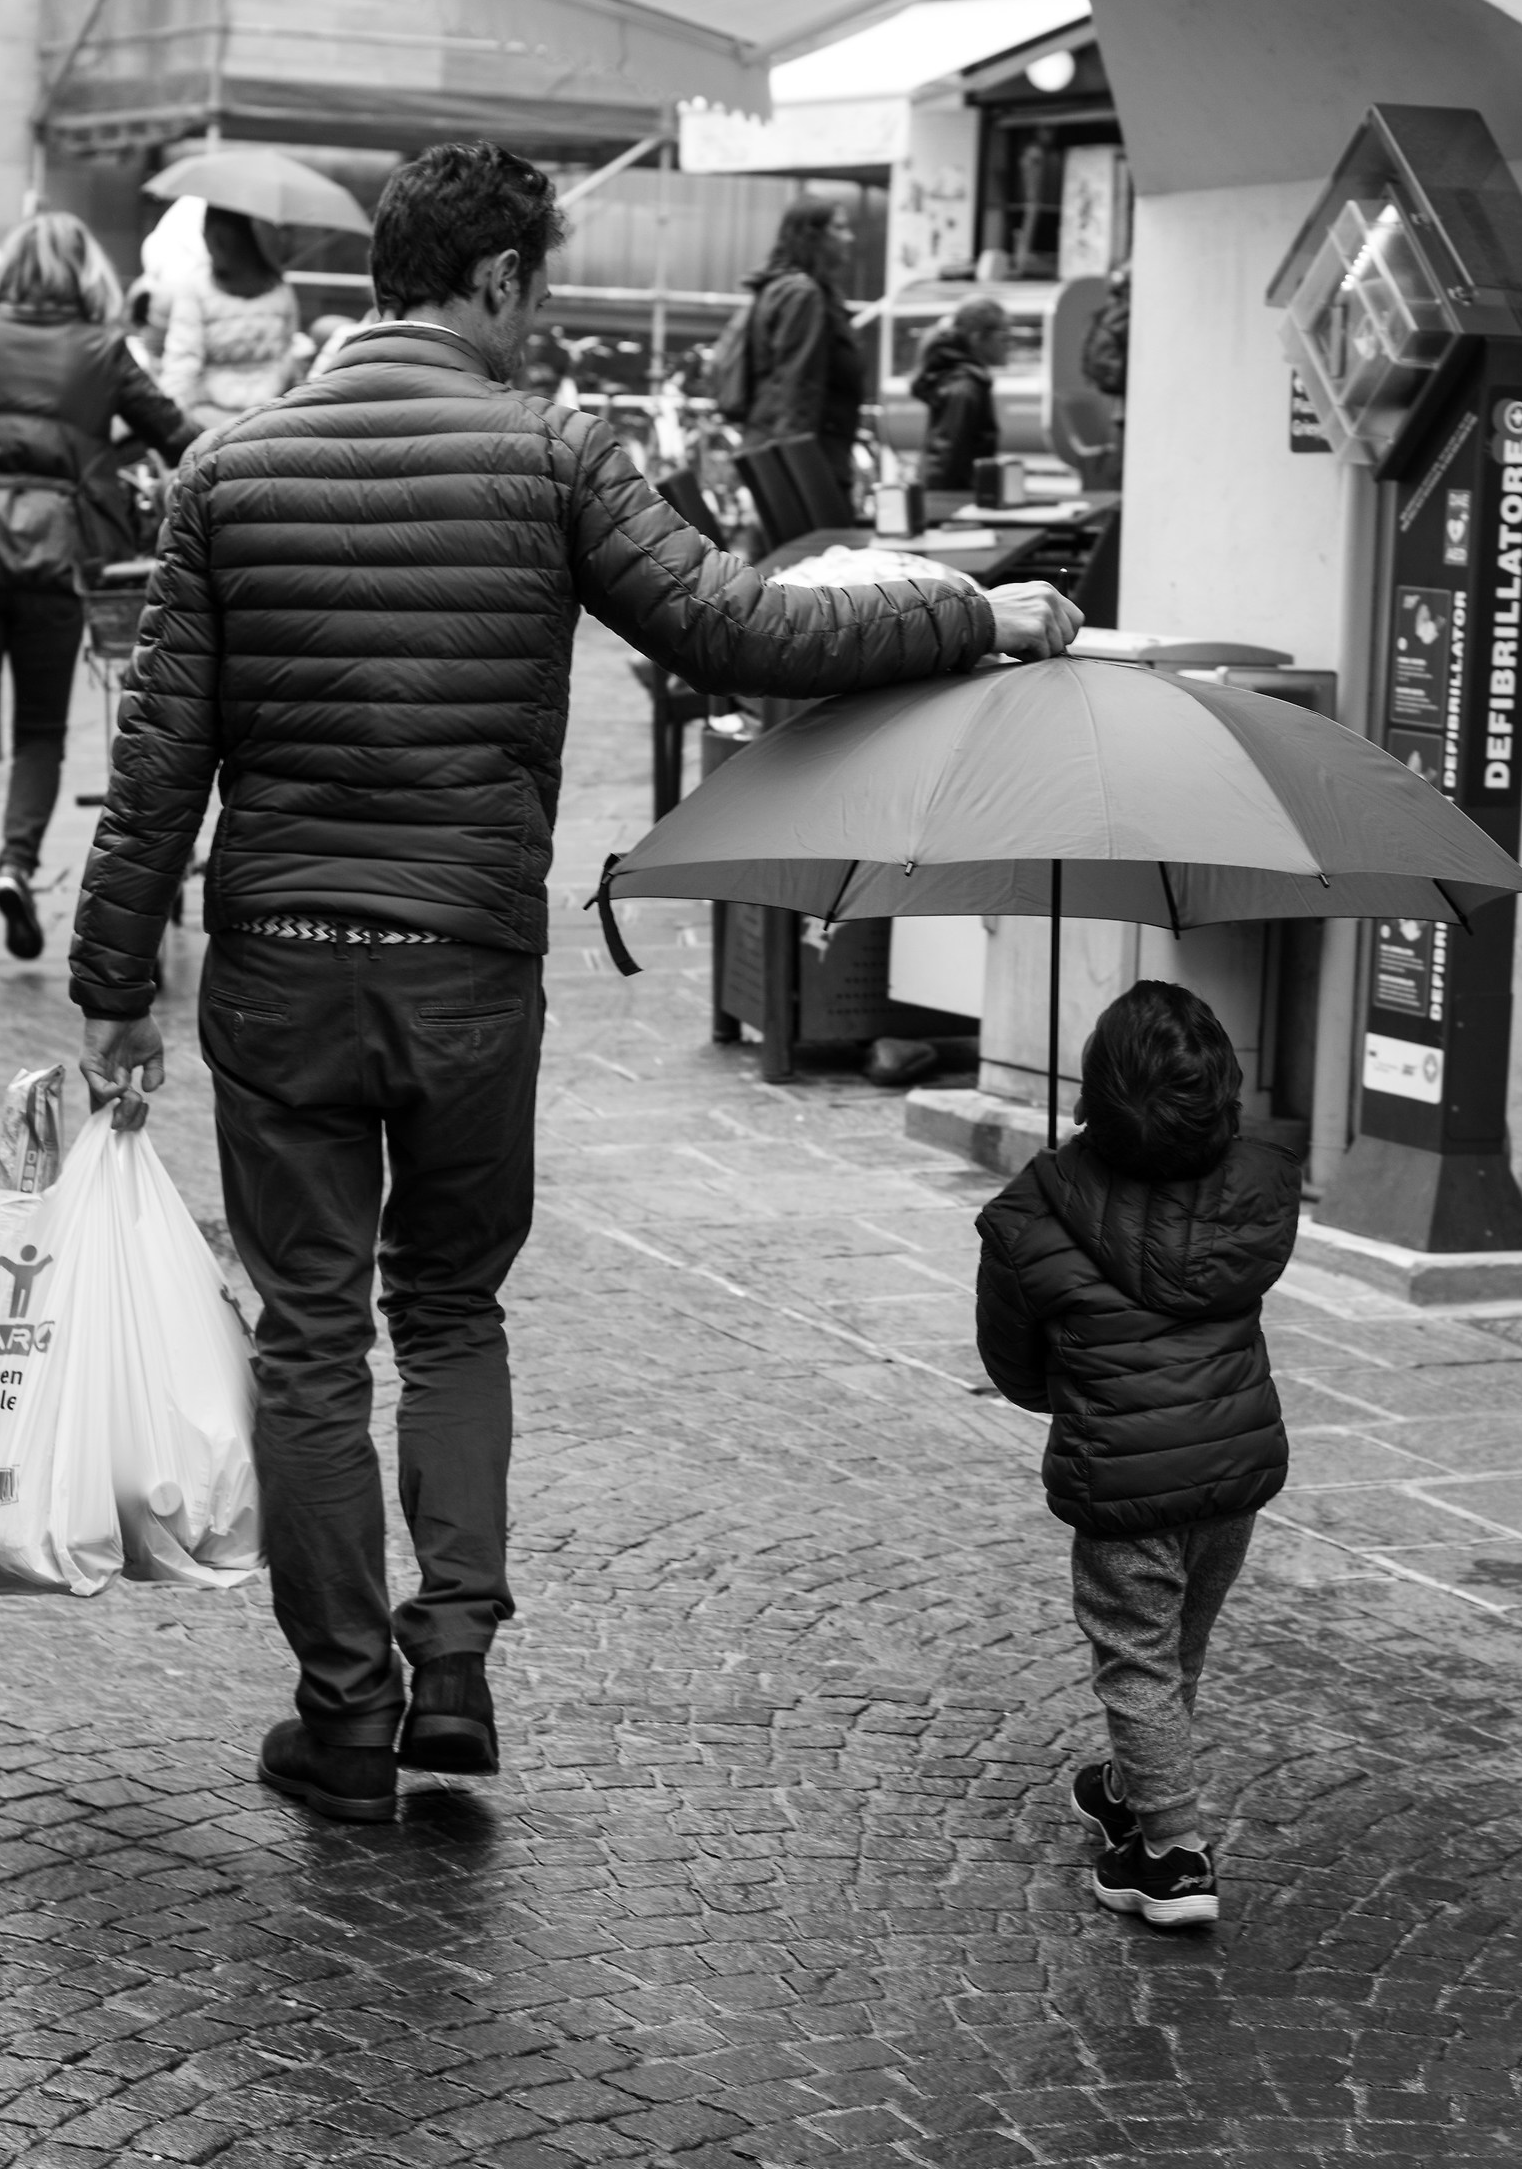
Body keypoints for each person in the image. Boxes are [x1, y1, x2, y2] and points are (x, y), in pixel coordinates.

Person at [69, 139, 1083, 1825]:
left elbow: (163, 754)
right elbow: (743, 629)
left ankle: (341, 1715)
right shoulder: (554, 453)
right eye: (534, 290)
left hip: (282, 973)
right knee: (451, 1309)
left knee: (310, 1336)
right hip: (462, 969)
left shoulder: (235, 473)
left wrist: (117, 987)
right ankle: (451, 1665)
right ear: (497, 285)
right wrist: (980, 615)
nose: (537, 323)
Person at [974, 981, 1300, 1927]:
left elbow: (1013, 1361)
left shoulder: (1038, 1208)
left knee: (1138, 1660)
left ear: (1094, 1092)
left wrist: (1076, 1396)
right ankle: (1129, 1786)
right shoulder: (1257, 1188)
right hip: (1232, 1473)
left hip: (1123, 1480)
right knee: (1176, 1644)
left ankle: (1171, 1856)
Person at [0, 212, 197, 967]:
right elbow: (181, 439)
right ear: (83, 272)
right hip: (56, 559)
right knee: (40, 730)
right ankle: (16, 865)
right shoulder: (102, 351)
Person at [741, 197, 864, 492]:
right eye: (840, 228)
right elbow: (797, 386)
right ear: (813, 235)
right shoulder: (803, 295)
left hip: (783, 452)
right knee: (817, 540)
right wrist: (798, 476)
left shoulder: (780, 286)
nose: (850, 237)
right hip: (807, 462)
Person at [160, 205, 299, 429]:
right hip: (267, 421)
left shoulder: (195, 287)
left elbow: (182, 362)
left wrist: (166, 423)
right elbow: (288, 359)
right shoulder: (280, 288)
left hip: (207, 424)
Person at [911, 296, 1010, 489]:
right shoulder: (965, 389)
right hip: (952, 502)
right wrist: (936, 510)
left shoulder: (968, 381)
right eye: (1004, 336)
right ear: (976, 338)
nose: (1009, 344)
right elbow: (945, 457)